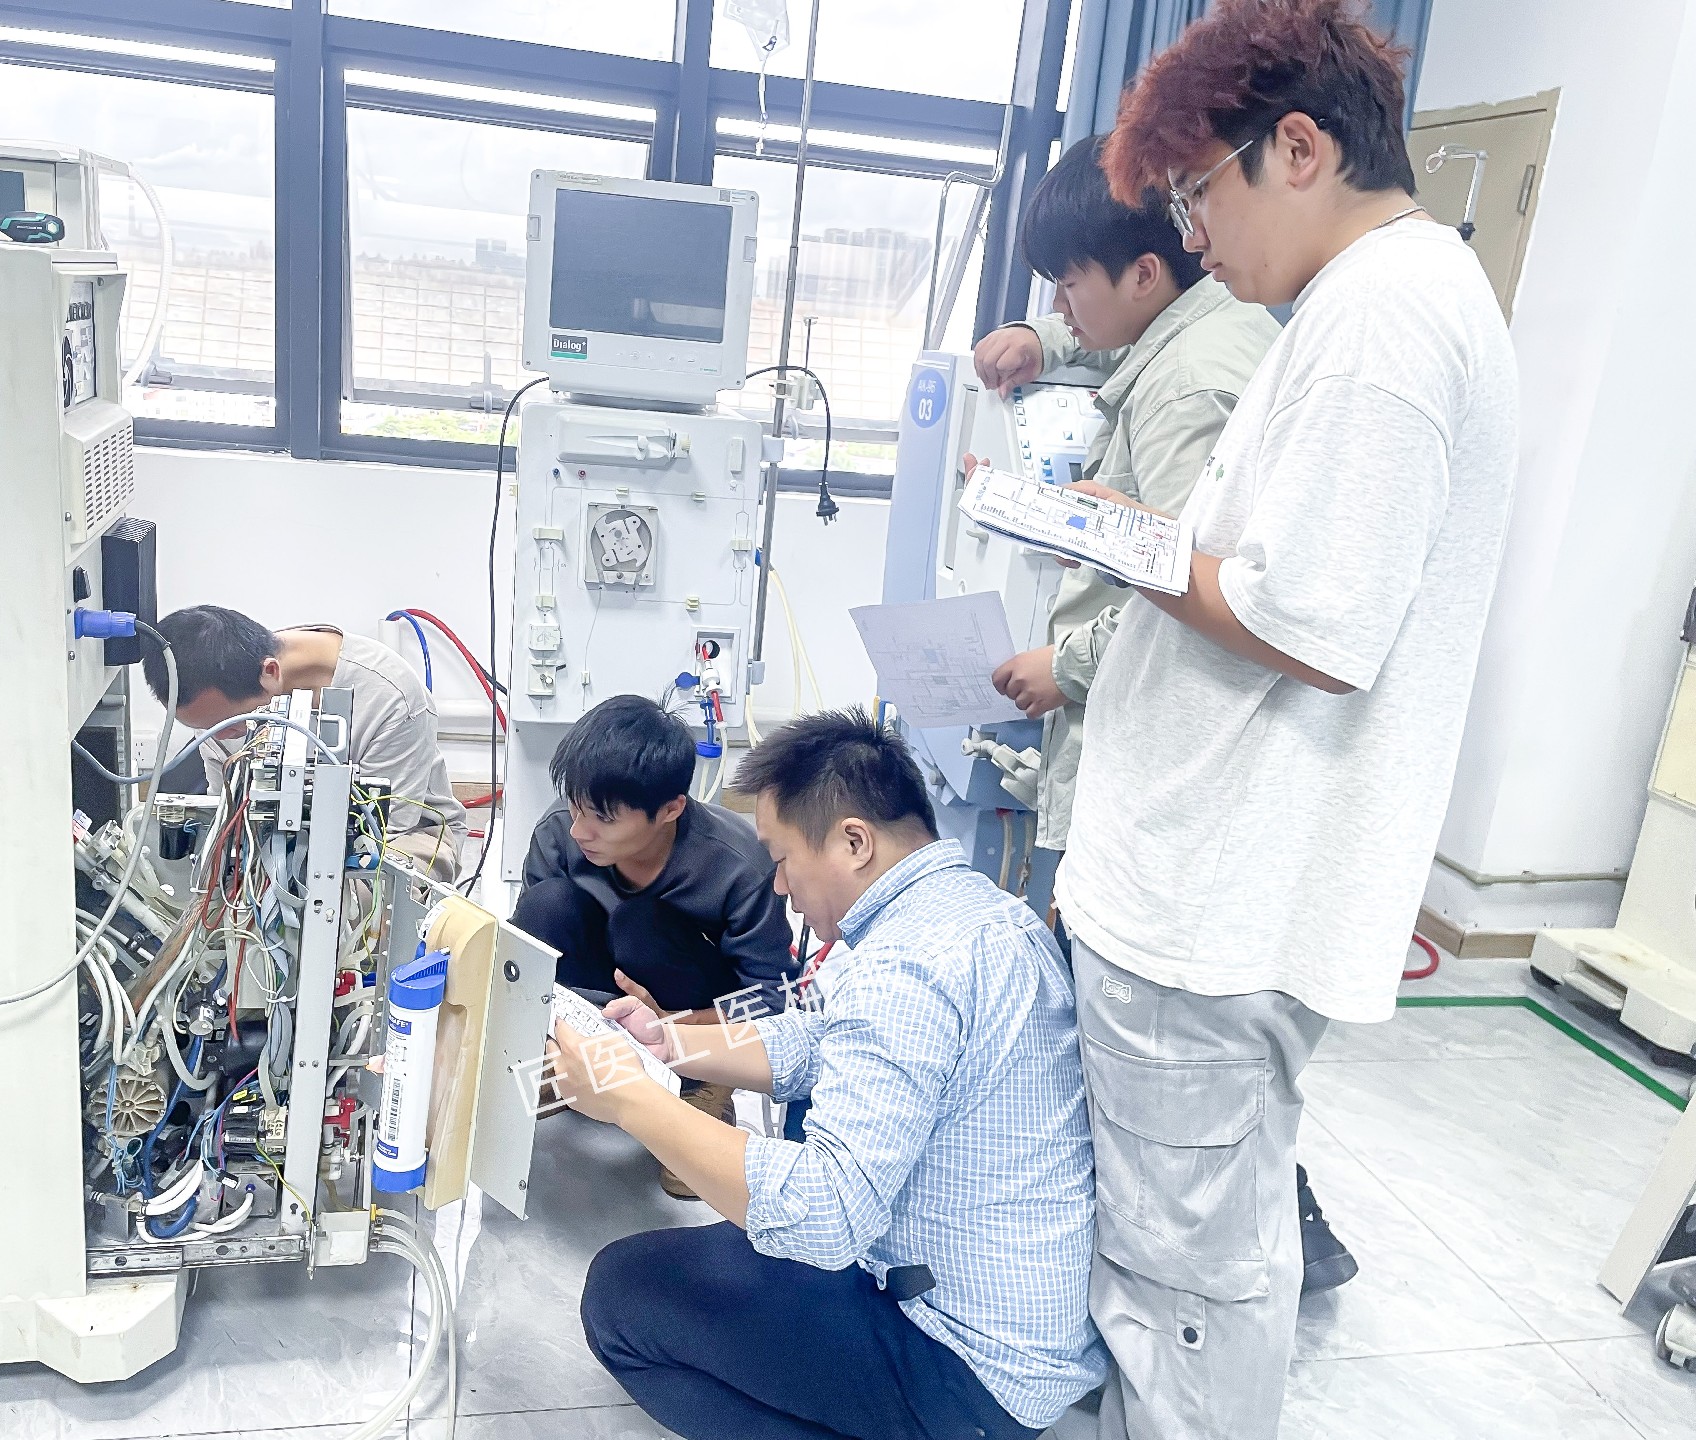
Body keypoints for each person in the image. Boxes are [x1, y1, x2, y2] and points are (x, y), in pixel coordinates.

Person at [1051, 2, 1519, 1436]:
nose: (1193, 237)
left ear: (1299, 148)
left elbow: (1308, 624)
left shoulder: (1383, 319)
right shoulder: (1380, 301)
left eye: (1199, 192)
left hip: (1215, 897)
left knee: (1184, 1277)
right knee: (1195, 1250)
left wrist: (1120, 539)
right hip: (1219, 884)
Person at [972, 133, 1357, 1297]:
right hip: (1157, 751)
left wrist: (1069, 664)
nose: (1059, 306)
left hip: (1148, 753)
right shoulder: (1204, 333)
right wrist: (1049, 340)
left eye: (1069, 282)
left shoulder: (1192, 382)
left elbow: (1198, 591)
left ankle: (1183, 1251)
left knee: (1133, 1056)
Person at [550, 708, 1108, 1439]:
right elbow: (820, 1038)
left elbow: (824, 1213)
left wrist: (628, 1099)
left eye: (783, 859)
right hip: (1000, 1318)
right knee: (718, 1250)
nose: (780, 885)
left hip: (962, 1366)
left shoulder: (907, 967)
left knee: (621, 1297)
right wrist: (668, 1044)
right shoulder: (974, 913)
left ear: (854, 842)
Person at [516, 693, 794, 1198]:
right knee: (545, 906)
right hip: (602, 998)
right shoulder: (559, 834)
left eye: (602, 818)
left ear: (670, 809)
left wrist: (673, 1027)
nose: (580, 830)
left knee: (640, 924)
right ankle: (568, 1056)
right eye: (576, 806)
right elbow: (524, 957)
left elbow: (770, 1000)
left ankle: (701, 1088)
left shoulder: (737, 867)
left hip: (689, 1008)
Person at [142, 606, 465, 878]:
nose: (218, 738)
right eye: (205, 729)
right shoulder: (223, 683)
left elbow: (386, 829)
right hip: (273, 834)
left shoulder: (390, 696)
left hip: (406, 835)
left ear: (270, 673)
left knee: (354, 907)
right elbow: (226, 814)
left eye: (229, 726)